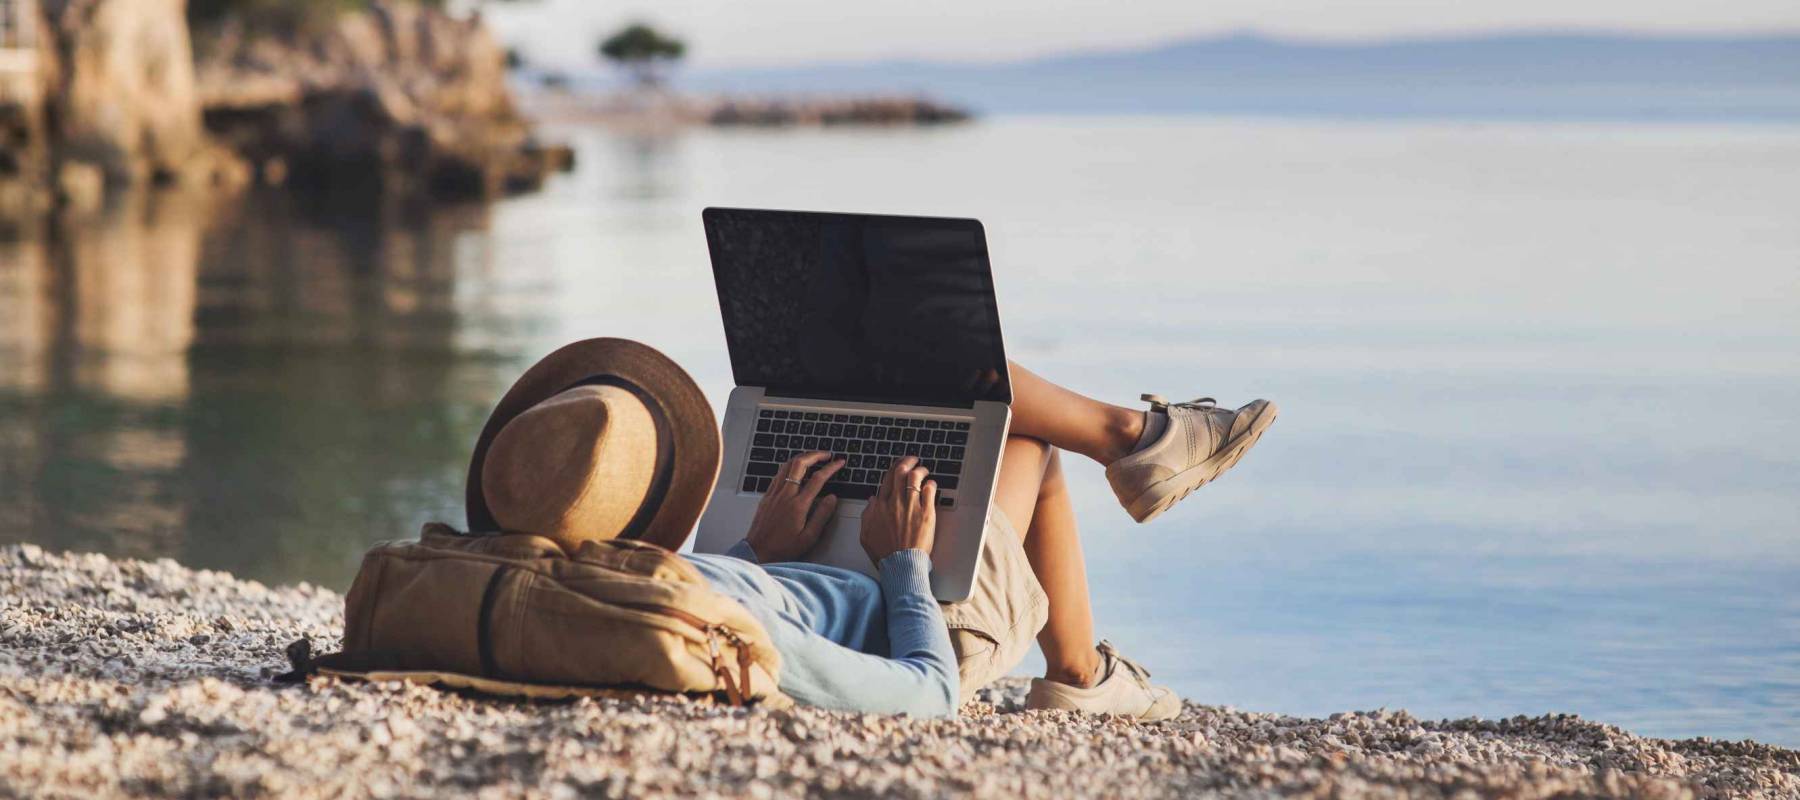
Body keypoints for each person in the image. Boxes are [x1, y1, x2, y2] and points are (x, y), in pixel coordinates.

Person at [467, 340, 1275, 719]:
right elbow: (925, 695)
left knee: (928, 372)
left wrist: (758, 553)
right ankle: (1082, 671)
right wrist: (905, 564)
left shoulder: (568, 588)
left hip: (795, 566)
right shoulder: (706, 620)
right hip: (921, 624)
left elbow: (722, 589)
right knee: (1014, 429)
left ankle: (1136, 444)